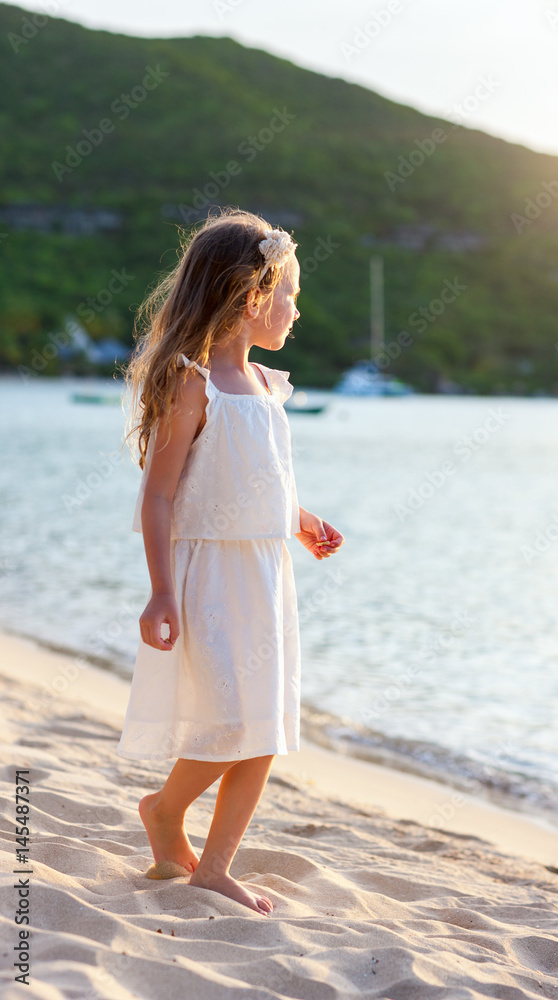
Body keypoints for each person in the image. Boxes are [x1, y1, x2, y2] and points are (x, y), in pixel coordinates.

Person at [117, 207, 344, 915]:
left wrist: (299, 521)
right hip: (210, 579)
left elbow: (260, 479)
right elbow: (159, 498)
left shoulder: (268, 388)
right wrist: (160, 593)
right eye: (289, 296)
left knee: (264, 725)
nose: (295, 311)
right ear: (252, 298)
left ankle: (213, 865)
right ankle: (163, 809)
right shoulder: (195, 384)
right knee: (226, 718)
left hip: (265, 575)